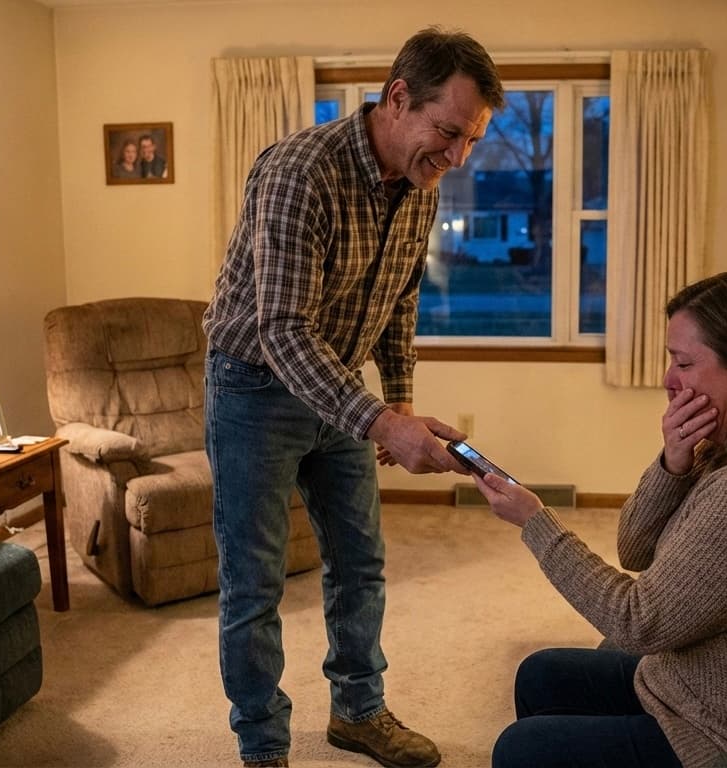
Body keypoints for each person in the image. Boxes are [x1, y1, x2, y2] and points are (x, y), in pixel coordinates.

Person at [201, 26, 503, 768]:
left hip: (337, 385)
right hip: (253, 386)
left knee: (360, 562)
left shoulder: (421, 186)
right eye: (449, 132)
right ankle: (262, 746)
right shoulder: (300, 172)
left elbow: (400, 302)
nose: (458, 157)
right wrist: (379, 422)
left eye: (472, 140)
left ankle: (359, 712)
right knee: (254, 582)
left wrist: (398, 404)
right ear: (398, 98)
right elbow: (281, 330)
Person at [474, 271, 727, 768]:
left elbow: (638, 621)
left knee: (523, 750)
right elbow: (636, 549)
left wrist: (536, 523)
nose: (669, 381)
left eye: (684, 363)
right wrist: (673, 461)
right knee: (541, 674)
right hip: (701, 694)